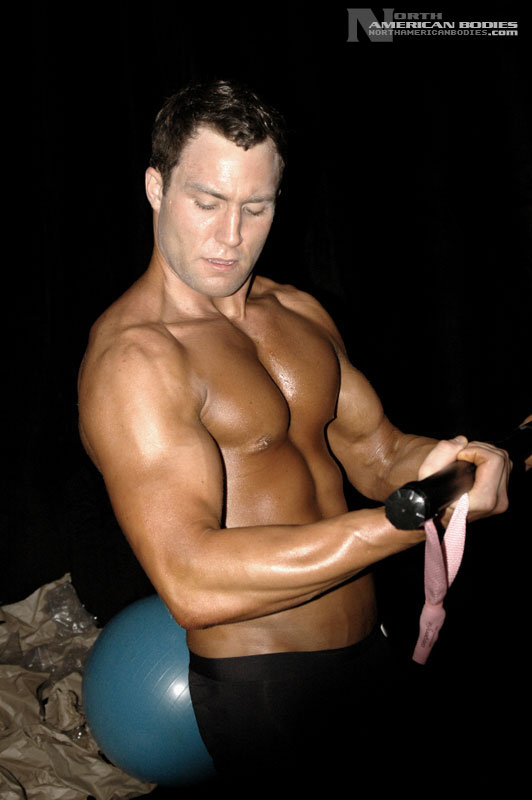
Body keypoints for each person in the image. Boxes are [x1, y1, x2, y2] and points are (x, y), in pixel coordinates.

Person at [78, 79, 511, 787]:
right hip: (267, 692)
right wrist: (411, 522)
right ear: (156, 187)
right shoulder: (137, 358)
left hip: (372, 649)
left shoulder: (299, 312)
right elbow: (192, 581)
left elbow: (376, 453)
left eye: (256, 207)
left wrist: (449, 465)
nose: (231, 236)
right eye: (207, 202)